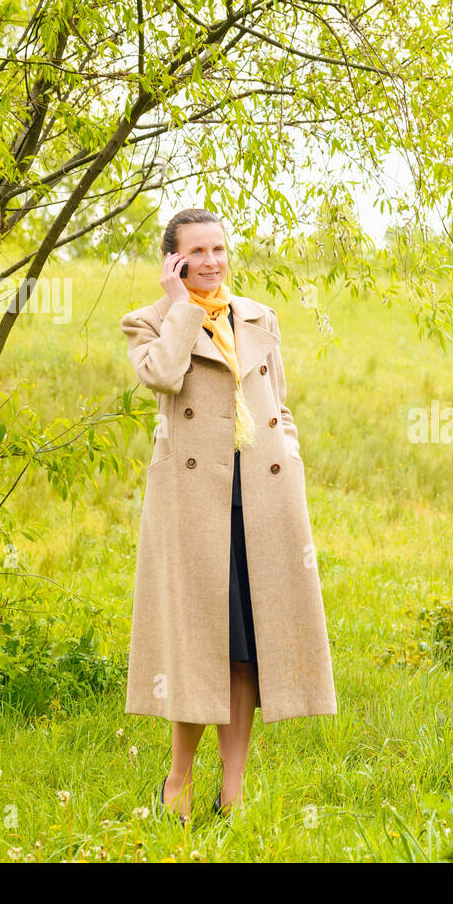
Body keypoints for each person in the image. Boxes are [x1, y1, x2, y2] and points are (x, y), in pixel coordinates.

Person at [120, 208, 338, 823]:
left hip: (263, 497)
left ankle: (234, 788)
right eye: (199, 252)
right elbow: (162, 377)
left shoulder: (260, 317)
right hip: (194, 503)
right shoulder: (149, 322)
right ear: (175, 259)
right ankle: (179, 781)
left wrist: (289, 455)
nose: (213, 261)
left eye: (219, 248)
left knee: (246, 648)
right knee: (199, 644)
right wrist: (181, 305)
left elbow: (279, 402)